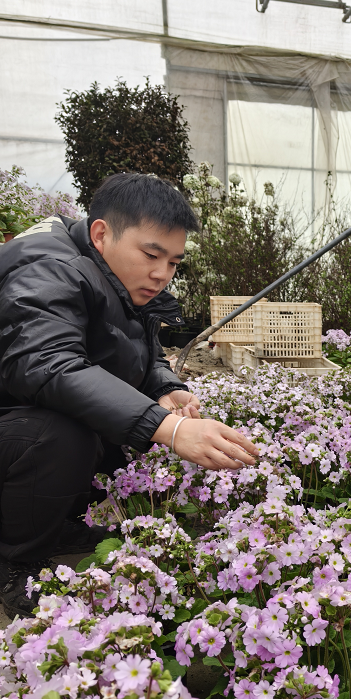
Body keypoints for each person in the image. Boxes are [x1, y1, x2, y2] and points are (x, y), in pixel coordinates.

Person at [0, 172, 260, 617]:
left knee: (115, 424)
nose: (161, 274)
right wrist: (170, 428)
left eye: (174, 262)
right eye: (151, 254)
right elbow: (48, 365)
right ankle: (15, 559)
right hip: (21, 421)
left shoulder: (112, 272)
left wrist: (164, 389)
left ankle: (55, 525)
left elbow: (136, 348)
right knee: (61, 434)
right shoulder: (46, 266)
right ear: (102, 233)